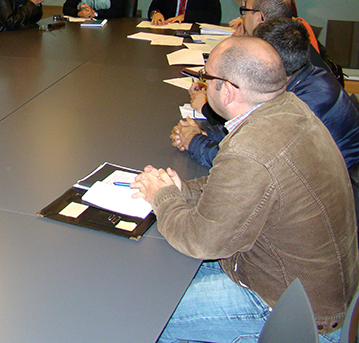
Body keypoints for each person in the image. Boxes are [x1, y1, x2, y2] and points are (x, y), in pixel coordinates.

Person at [132, 37, 358, 343]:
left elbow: (200, 241)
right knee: (162, 276)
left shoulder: (251, 148)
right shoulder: (288, 109)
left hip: (295, 311)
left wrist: (163, 197)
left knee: (147, 314)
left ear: (226, 89)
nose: (202, 83)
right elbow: (234, 186)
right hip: (300, 281)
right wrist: (181, 189)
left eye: (205, 77)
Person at [172, 19, 359, 173]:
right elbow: (250, 123)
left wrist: (193, 141)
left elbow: (245, 161)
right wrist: (204, 133)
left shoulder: (301, 108)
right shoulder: (303, 77)